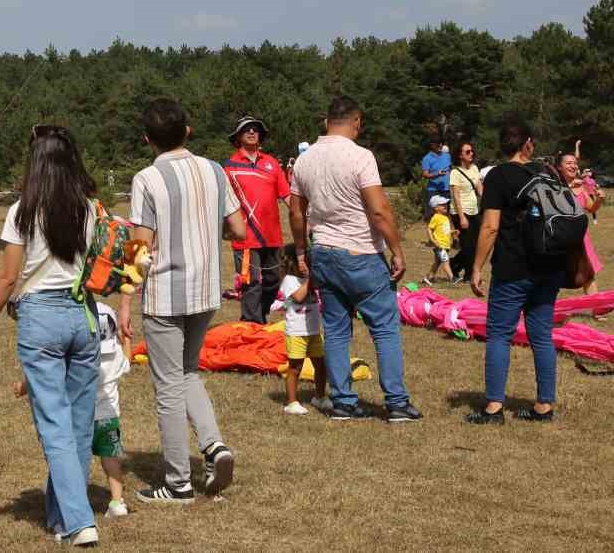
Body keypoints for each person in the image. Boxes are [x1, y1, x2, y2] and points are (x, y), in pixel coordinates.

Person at [0, 124, 101, 546]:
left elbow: (8, 276)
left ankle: (80, 521)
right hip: (83, 316)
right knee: (80, 423)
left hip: (40, 317)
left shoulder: (23, 211)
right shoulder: (89, 208)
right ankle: (61, 515)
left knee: (54, 424)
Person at [130, 98, 244, 503]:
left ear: (147, 139)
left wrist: (126, 292)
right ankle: (214, 446)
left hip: (164, 293)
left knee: (167, 389)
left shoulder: (146, 178)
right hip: (206, 290)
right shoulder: (215, 170)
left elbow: (139, 247)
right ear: (188, 131)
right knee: (187, 373)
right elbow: (240, 229)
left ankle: (178, 482)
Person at [290, 96, 421, 422]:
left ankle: (344, 402)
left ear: (325, 121)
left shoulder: (304, 161)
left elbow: (296, 212)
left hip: (323, 252)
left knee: (335, 330)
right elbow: (379, 209)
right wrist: (397, 250)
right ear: (357, 122)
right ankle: (397, 402)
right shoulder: (361, 157)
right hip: (360, 252)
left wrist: (301, 251)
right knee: (385, 328)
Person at [468, 119, 565, 424]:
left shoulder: (498, 176)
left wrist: (476, 266)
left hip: (512, 268)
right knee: (542, 337)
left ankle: (494, 407)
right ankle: (544, 405)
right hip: (549, 267)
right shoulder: (548, 173)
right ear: (528, 144)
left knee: (499, 335)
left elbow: (490, 226)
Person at [17, 301, 134, 518]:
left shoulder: (77, 361)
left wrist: (24, 386)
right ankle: (117, 501)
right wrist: (126, 338)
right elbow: (127, 360)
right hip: (109, 419)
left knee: (69, 455)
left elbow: (50, 375)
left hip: (79, 418)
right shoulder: (116, 357)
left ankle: (67, 493)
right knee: (111, 460)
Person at [222, 114, 289, 322]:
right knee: (251, 284)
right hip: (245, 237)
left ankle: (256, 317)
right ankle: (253, 327)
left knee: (273, 281)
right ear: (238, 137)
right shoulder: (229, 166)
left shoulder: (271, 164)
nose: (252, 132)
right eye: (246, 129)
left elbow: (286, 195)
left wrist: (305, 215)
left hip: (272, 236)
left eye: (255, 129)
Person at [272, 243, 327, 415]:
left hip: (313, 330)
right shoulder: (289, 280)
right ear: (292, 263)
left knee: (321, 365)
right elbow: (299, 296)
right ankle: (292, 402)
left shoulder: (308, 278)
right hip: (296, 332)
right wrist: (311, 280)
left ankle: (319, 396)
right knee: (295, 367)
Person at [557, 144, 604, 305]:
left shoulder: (582, 187)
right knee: (552, 274)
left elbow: (591, 208)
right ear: (559, 167)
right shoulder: (554, 185)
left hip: (581, 238)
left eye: (574, 163)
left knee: (588, 273)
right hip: (560, 237)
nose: (573, 165)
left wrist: (599, 200)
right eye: (568, 163)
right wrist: (569, 187)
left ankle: (597, 308)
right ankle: (544, 309)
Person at [448, 139, 483, 282]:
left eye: (472, 150)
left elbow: (479, 188)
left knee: (476, 244)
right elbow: (455, 196)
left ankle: (453, 265)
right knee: (468, 245)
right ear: (460, 155)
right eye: (467, 152)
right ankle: (469, 275)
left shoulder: (474, 168)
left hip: (474, 211)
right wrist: (462, 217)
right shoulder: (455, 173)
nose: (471, 153)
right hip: (460, 212)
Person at [420, 137, 451, 220]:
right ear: (432, 145)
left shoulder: (447, 156)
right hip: (433, 191)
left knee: (445, 215)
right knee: (433, 216)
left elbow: (450, 169)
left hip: (446, 189)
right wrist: (437, 174)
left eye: (441, 143)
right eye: (437, 143)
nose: (440, 145)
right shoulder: (427, 158)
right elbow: (425, 174)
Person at [426, 198, 456, 282]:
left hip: (445, 244)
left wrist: (453, 232)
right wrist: (432, 240)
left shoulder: (445, 218)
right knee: (445, 260)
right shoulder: (436, 217)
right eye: (442, 204)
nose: (445, 205)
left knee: (438, 262)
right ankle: (452, 278)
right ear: (436, 208)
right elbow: (429, 229)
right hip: (439, 245)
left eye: (446, 204)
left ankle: (429, 278)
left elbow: (444, 231)